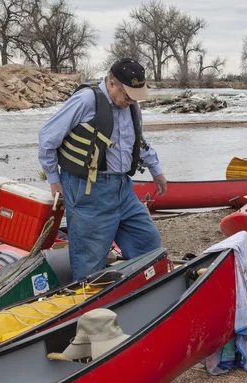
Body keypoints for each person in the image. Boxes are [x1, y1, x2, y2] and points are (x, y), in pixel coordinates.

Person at [38, 58, 166, 281]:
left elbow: (138, 141)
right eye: (127, 95)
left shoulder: (131, 106)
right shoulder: (86, 100)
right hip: (87, 191)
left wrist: (156, 169)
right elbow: (47, 138)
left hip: (123, 190)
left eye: (135, 96)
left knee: (147, 241)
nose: (130, 101)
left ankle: (137, 289)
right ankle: (89, 308)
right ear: (112, 83)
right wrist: (53, 179)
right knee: (89, 263)